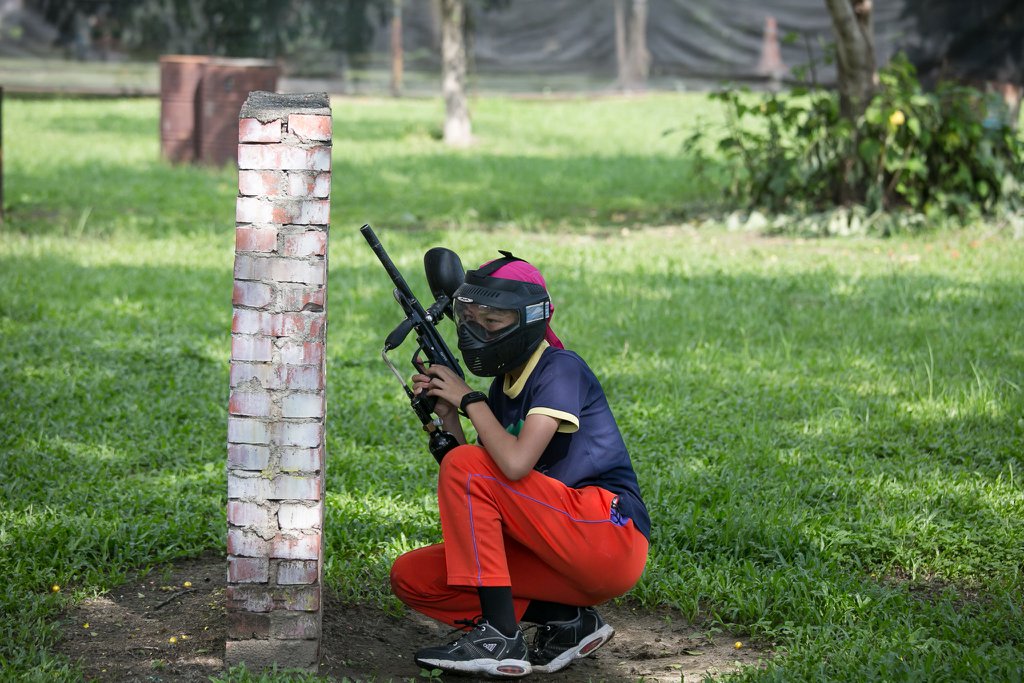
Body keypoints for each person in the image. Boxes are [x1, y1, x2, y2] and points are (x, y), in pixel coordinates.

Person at [389, 251, 651, 678]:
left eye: (492, 323)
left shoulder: (561, 369)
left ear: (529, 320)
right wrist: (450, 414)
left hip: (610, 536)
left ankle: (500, 637)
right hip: (556, 548)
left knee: (471, 465)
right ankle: (569, 621)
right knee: (412, 577)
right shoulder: (500, 389)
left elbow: (513, 465)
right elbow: (474, 480)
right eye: (470, 321)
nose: (477, 332)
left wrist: (468, 400)